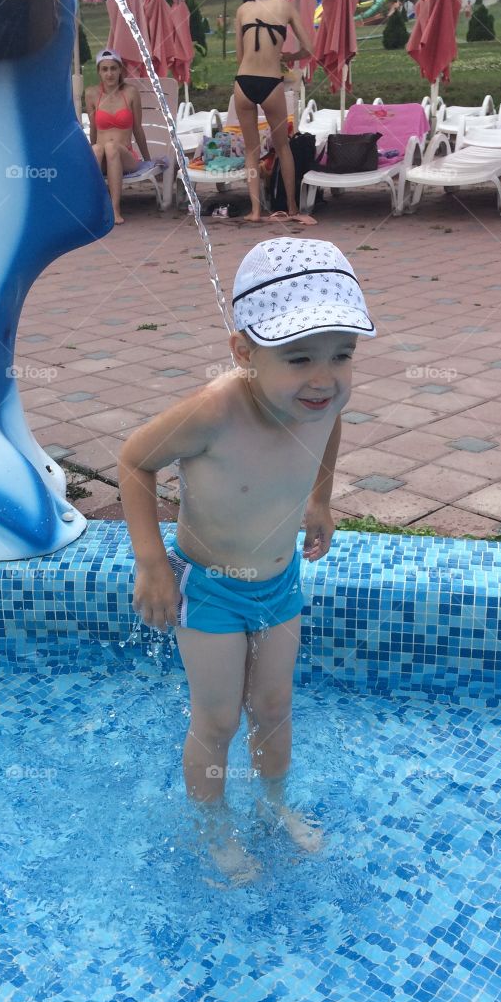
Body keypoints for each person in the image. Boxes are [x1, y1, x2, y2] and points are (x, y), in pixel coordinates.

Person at [118, 239, 376, 883]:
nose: (325, 378)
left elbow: (330, 424)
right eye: (299, 358)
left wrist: (320, 498)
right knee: (219, 715)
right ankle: (213, 827)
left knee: (273, 702)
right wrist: (151, 562)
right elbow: (134, 461)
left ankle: (275, 803)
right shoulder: (216, 411)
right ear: (244, 352)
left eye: (342, 355)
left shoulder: (319, 400)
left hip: (279, 579)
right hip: (210, 589)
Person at [233, 0, 316, 225]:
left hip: (244, 82)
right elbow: (309, 48)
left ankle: (256, 211)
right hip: (271, 82)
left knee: (251, 149)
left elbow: (238, 56)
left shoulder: (242, 10)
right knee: (282, 147)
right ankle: (291, 207)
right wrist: (290, 56)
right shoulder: (285, 6)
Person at [86, 49, 151, 224]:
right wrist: (93, 152)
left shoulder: (130, 92)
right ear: (99, 72)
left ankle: (114, 209)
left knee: (111, 146)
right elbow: (93, 129)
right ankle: (93, 208)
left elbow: (137, 128)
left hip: (126, 156)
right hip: (103, 158)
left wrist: (148, 160)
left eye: (113, 68)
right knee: (99, 148)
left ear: (120, 70)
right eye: (105, 69)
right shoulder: (91, 94)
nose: (109, 74)